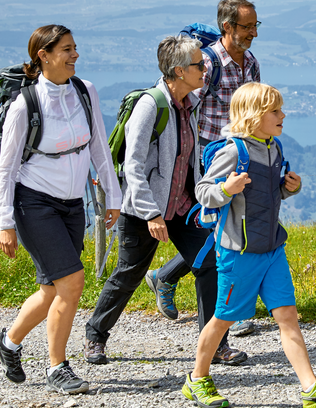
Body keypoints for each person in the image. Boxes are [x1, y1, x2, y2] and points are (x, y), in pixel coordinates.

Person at [181, 82, 316, 408]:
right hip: (240, 254)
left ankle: (310, 388)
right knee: (222, 320)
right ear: (253, 115)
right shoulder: (234, 151)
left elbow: (269, 195)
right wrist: (227, 188)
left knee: (288, 318)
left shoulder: (274, 147)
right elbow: (204, 191)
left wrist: (289, 188)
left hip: (273, 249)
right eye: (275, 110)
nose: (283, 115)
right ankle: (197, 379)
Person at [81, 35, 248, 367]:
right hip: (145, 210)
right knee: (129, 272)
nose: (205, 69)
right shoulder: (151, 105)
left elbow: (189, 158)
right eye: (199, 65)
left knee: (209, 263)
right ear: (178, 70)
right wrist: (151, 213)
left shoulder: (189, 104)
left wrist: (202, 198)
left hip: (182, 207)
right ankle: (95, 336)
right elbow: (133, 166)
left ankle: (214, 345)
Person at [0, 24, 122, 395]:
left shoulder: (85, 91)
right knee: (72, 282)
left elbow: (98, 146)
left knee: (52, 289)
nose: (75, 54)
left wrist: (113, 196)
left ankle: (8, 343)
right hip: (34, 204)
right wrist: (5, 221)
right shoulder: (25, 104)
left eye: (75, 47)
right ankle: (57, 367)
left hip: (72, 203)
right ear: (43, 56)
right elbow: (7, 166)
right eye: (66, 49)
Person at [147, 0, 261, 339]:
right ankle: (232, 311)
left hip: (238, 155)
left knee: (232, 231)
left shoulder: (250, 62)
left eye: (256, 25)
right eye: (247, 26)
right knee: (220, 234)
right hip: (207, 161)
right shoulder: (209, 64)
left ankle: (165, 276)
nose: (254, 33)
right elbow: (183, 105)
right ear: (227, 27)